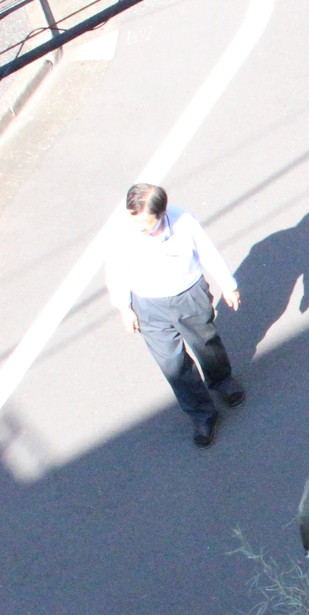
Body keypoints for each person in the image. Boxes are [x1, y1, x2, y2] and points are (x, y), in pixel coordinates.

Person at [105, 183, 246, 448]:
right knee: (172, 364)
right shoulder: (122, 233)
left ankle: (222, 380)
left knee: (206, 343)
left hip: (189, 295)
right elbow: (116, 271)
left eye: (145, 223)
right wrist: (124, 308)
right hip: (148, 305)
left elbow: (207, 252)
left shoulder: (184, 223)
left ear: (162, 213)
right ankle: (202, 414)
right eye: (135, 221)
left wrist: (228, 285)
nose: (139, 228)